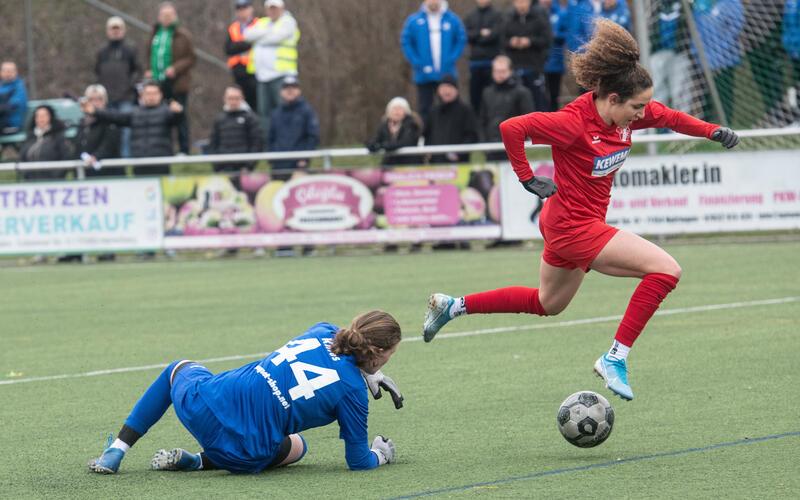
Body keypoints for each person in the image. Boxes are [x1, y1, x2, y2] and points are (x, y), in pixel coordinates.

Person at [422, 20, 740, 403]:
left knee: (547, 303)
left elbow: (671, 117)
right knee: (666, 270)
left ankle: (452, 306)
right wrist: (526, 177)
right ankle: (615, 357)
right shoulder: (572, 123)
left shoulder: (628, 114)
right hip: (573, 226)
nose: (642, 115)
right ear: (611, 99)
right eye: (636, 108)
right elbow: (511, 128)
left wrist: (712, 131)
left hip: (569, 223)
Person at [88, 311, 403, 474]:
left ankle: (117, 450)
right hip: (245, 457)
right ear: (377, 352)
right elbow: (359, 461)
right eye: (390, 354)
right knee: (297, 446)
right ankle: (201, 462)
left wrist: (366, 371)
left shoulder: (322, 331)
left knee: (177, 368)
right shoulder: (352, 394)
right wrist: (381, 454)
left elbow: (336, 349)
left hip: (206, 407)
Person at [87, 81, 183, 176]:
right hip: (139, 163)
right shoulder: (135, 113)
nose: (151, 97)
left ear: (160, 95)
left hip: (161, 163)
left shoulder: (166, 112)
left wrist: (178, 112)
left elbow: (177, 120)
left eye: (154, 93)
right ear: (142, 95)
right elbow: (115, 117)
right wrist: (95, 112)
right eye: (148, 94)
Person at [400, 0, 467, 119]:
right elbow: (406, 42)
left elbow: (461, 40)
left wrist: (451, 59)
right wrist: (416, 62)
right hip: (423, 74)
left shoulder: (452, 20)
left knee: (449, 107)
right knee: (425, 107)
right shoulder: (414, 21)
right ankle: (426, 136)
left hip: (447, 73)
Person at [244, 0, 300, 140]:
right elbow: (247, 35)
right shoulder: (263, 22)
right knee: (264, 112)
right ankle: (269, 143)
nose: (272, 11)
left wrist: (259, 37)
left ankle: (288, 140)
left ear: (282, 8)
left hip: (282, 75)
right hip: (262, 76)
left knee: (285, 109)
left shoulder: (288, 22)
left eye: (275, 8)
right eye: (270, 8)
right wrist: (266, 32)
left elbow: (276, 38)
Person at [146, 2, 196, 154]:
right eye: (164, 15)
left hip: (176, 83)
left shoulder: (183, 35)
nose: (166, 18)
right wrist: (148, 70)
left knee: (179, 115)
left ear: (175, 17)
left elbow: (191, 58)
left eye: (169, 15)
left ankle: (184, 150)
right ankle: (163, 149)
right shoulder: (155, 33)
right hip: (157, 84)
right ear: (159, 17)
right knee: (160, 117)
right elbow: (149, 55)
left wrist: (175, 68)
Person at [690, 0, 744, 124]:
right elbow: (695, 29)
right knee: (705, 93)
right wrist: (695, 50)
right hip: (703, 58)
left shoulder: (732, 3)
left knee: (724, 93)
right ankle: (705, 125)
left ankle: (726, 123)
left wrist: (721, 48)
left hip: (725, 59)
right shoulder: (700, 4)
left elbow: (736, 28)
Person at [95, 16, 141, 157]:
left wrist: (129, 87)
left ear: (123, 30)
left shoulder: (130, 49)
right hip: (108, 99)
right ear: (108, 31)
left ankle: (126, 160)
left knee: (126, 132)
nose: (115, 32)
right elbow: (97, 72)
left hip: (126, 98)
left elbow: (138, 71)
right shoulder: (102, 51)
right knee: (108, 131)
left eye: (118, 29)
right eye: (112, 29)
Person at [479, 55, 533, 161]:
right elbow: (482, 120)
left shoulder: (522, 93)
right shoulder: (487, 92)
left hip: (514, 148)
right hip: (491, 147)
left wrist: (519, 143)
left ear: (510, 71)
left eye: (503, 71)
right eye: (496, 71)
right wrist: (484, 143)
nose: (500, 75)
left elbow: (528, 121)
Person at [501, 0, 553, 112]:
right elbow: (501, 41)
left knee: (538, 101)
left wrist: (530, 41)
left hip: (534, 66)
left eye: (523, 2)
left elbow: (547, 40)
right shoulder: (508, 19)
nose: (521, 5)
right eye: (518, 2)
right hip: (514, 67)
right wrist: (511, 42)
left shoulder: (539, 17)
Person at [267, 76, 319, 180]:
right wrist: (272, 160)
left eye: (293, 87)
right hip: (278, 166)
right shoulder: (276, 113)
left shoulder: (307, 111)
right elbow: (270, 138)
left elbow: (313, 137)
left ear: (299, 91)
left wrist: (304, 159)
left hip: (299, 166)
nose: (290, 91)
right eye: (286, 88)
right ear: (281, 92)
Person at [648, 1, 693, 114]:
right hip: (659, 53)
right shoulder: (656, 7)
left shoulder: (685, 6)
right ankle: (658, 122)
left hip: (679, 54)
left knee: (679, 91)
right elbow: (651, 31)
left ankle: (682, 125)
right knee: (657, 89)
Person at [424, 75, 479, 164]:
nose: (446, 91)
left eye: (449, 87)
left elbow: (472, 136)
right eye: (443, 88)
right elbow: (427, 135)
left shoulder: (465, 110)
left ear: (456, 90)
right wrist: (429, 152)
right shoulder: (433, 112)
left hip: (460, 164)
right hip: (436, 163)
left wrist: (458, 154)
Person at [209, 85, 263, 173]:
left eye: (236, 98)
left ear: (242, 98)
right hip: (223, 169)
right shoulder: (219, 119)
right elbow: (213, 144)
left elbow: (257, 143)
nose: (233, 102)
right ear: (224, 99)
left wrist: (249, 166)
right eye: (230, 98)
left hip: (244, 170)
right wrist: (217, 166)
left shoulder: (251, 118)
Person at [464, 0, 504, 112]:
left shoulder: (497, 14)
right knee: (475, 98)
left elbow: (496, 34)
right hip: (475, 63)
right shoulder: (470, 15)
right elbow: (466, 35)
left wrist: (477, 36)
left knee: (492, 98)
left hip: (492, 63)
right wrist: (481, 33)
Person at [75, 85, 123, 177]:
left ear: (105, 101)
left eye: (99, 99)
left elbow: (110, 144)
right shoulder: (83, 122)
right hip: (87, 171)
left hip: (108, 171)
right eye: (91, 100)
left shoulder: (111, 119)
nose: (95, 103)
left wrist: (96, 156)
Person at [19, 105, 72, 180]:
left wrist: (56, 176)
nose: (41, 118)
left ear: (50, 117)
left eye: (44, 115)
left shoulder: (58, 136)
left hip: (53, 182)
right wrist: (27, 175)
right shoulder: (30, 138)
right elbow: (22, 158)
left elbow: (66, 157)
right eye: (38, 116)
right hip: (31, 183)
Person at [366, 97, 423, 166]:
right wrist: (372, 145)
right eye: (394, 108)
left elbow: (405, 142)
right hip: (390, 165)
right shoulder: (384, 126)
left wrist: (382, 146)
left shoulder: (412, 125)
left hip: (409, 165)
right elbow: (375, 139)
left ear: (406, 112)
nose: (396, 111)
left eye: (400, 109)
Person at [225, 0, 259, 110]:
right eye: (239, 9)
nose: (242, 12)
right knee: (243, 104)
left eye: (244, 8)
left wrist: (239, 45)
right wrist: (247, 43)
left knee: (257, 103)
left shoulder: (259, 24)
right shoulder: (233, 27)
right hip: (238, 71)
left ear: (251, 9)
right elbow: (228, 49)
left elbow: (258, 41)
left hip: (255, 71)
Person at [540, 0, 570, 111]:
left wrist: (555, 35)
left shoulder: (561, 13)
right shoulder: (536, 13)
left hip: (555, 61)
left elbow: (567, 33)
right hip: (539, 61)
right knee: (541, 95)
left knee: (554, 94)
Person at [0, 61, 28, 135]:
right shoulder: (1, 86)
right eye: (5, 71)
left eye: (10, 71)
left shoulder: (19, 87)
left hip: (12, 125)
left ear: (16, 72)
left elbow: (13, 105)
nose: (8, 73)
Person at [785, 0, 800, 119]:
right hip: (792, 49)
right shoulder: (790, 2)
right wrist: (787, 43)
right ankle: (796, 116)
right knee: (794, 85)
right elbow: (787, 25)